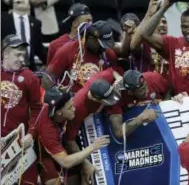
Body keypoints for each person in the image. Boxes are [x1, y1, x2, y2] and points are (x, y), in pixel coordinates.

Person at [36, 88, 110, 185]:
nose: (74, 109)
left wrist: (85, 164)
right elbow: (65, 162)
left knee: (74, 177)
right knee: (54, 182)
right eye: (69, 108)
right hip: (43, 150)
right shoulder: (48, 132)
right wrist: (92, 147)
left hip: (61, 139)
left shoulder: (61, 104)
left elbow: (69, 140)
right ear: (59, 112)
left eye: (72, 105)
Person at [1, 34, 42, 185]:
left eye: (23, 55)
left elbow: (37, 109)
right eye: (17, 55)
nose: (22, 59)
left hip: (20, 141)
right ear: (5, 53)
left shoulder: (30, 77)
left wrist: (31, 133)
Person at [64, 79, 120, 184]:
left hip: (95, 123)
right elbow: (69, 140)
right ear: (96, 99)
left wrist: (118, 78)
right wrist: (85, 163)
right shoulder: (78, 107)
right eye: (105, 100)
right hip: (79, 133)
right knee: (87, 173)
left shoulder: (101, 78)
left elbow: (112, 72)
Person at [42, 20, 118, 92]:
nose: (104, 48)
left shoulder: (109, 54)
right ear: (90, 39)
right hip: (72, 100)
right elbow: (47, 78)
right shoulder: (68, 50)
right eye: (101, 45)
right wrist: (58, 95)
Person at [100, 69, 170, 138]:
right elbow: (119, 132)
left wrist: (164, 103)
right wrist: (140, 119)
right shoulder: (115, 98)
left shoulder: (153, 77)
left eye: (146, 86)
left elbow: (169, 90)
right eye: (142, 90)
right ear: (130, 92)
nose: (147, 90)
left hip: (161, 126)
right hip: (136, 135)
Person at [1, 0, 47, 70]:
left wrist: (49, 63)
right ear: (13, 2)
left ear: (29, 4)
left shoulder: (36, 23)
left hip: (29, 69)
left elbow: (39, 48)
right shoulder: (2, 19)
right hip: (6, 70)